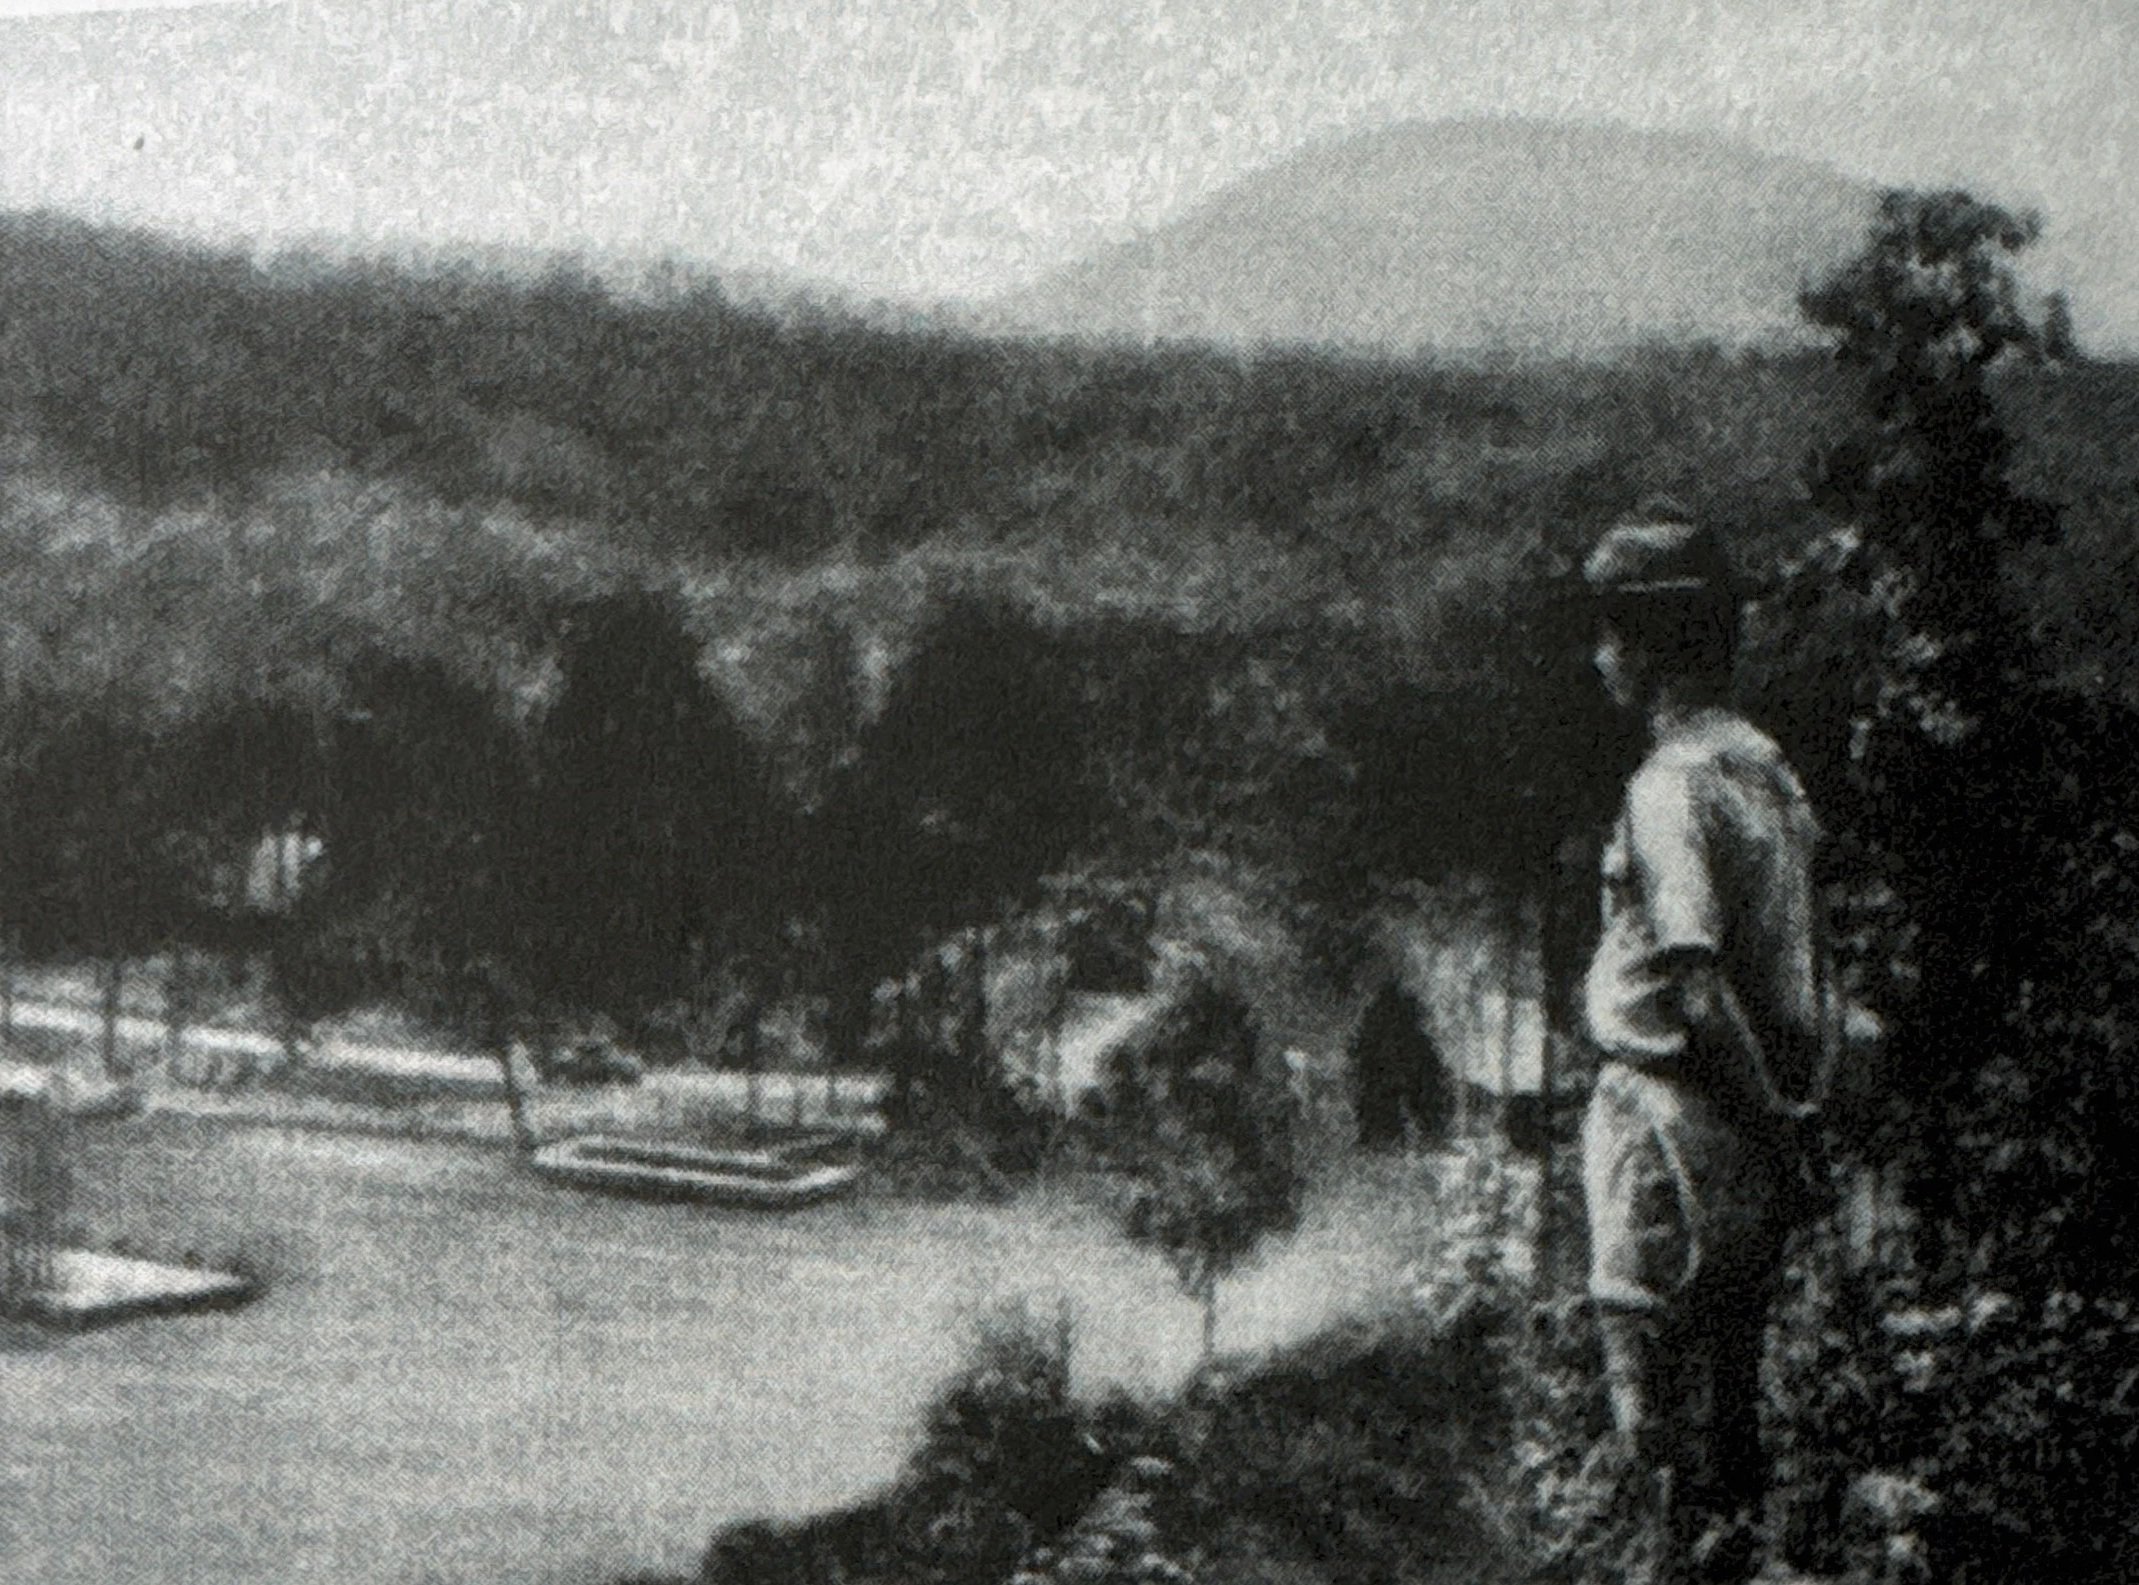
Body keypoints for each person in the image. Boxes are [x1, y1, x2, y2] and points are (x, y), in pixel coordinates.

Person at [1576, 500, 1834, 1584]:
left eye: (1612, 634)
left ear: (1652, 647)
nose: (1599, 657)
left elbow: (1696, 981)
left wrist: (1773, 1121)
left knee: (1656, 1432)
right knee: (1732, 1413)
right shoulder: (1766, 769)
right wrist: (1788, 1120)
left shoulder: (1670, 785)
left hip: (1670, 1123)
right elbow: (1801, 968)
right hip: (1744, 1134)